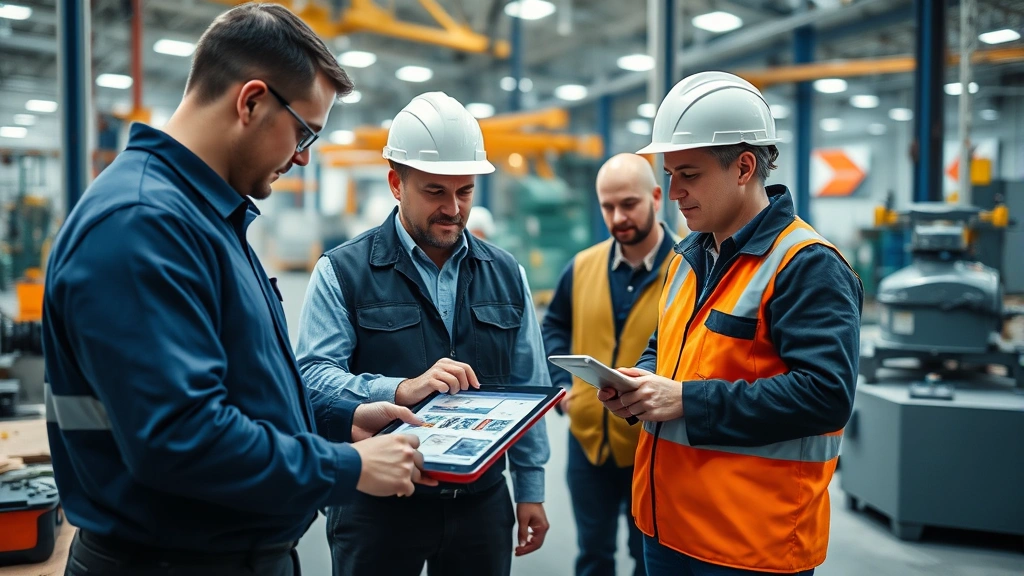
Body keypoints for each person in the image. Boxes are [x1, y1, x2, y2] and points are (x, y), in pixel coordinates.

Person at [42, 5, 430, 575]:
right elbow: (181, 438)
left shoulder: (201, 218)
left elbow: (236, 384)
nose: (303, 157)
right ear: (251, 101)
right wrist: (347, 467)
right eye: (304, 132)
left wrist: (333, 419)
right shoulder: (141, 224)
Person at [598, 71, 863, 575]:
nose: (673, 192)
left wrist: (685, 400)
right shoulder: (688, 257)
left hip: (749, 543)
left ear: (743, 167)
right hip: (667, 526)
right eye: (669, 173)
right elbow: (664, 348)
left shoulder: (806, 264)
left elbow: (825, 396)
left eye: (688, 174)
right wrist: (639, 383)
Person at [296, 91, 552, 576]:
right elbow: (311, 377)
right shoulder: (342, 271)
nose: (453, 208)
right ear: (397, 183)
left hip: (481, 503)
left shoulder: (507, 273)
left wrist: (531, 489)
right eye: (435, 191)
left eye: (465, 191)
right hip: (379, 502)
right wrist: (399, 389)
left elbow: (529, 386)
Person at [542, 153, 675, 576]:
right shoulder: (581, 267)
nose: (618, 217)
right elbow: (554, 325)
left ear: (656, 197)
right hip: (588, 444)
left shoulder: (688, 270)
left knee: (648, 560)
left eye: (629, 204)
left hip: (654, 446)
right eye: (608, 206)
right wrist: (564, 386)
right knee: (593, 556)